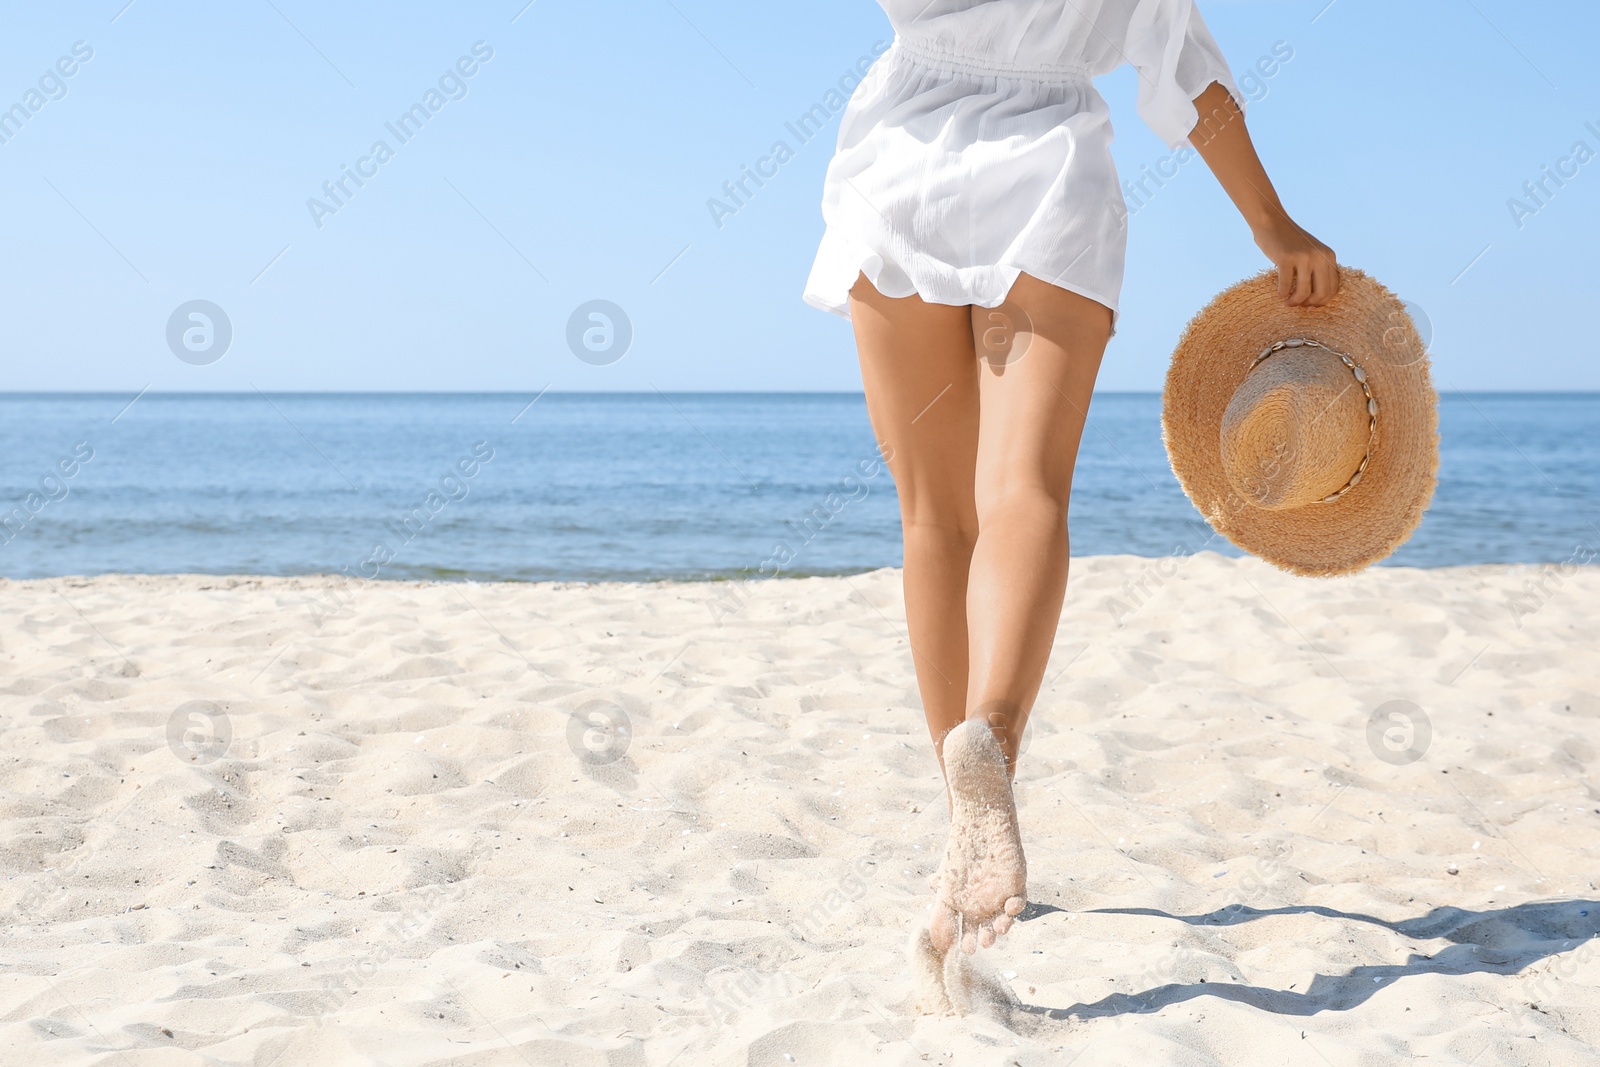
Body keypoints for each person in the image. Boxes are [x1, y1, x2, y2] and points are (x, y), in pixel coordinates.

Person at [802, 0, 1340, 962]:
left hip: (900, 155)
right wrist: (1274, 223)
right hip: (1048, 169)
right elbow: (1184, 71)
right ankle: (992, 746)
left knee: (932, 518)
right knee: (1024, 490)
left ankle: (960, 823)